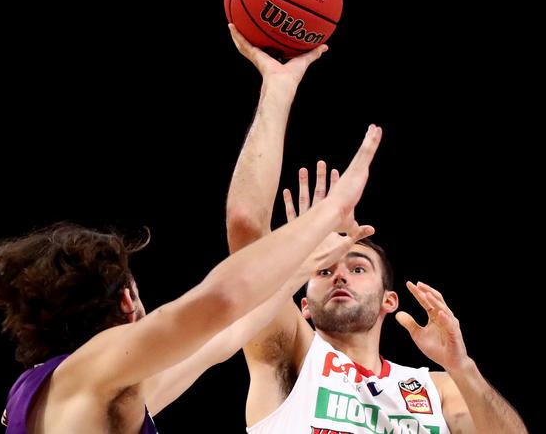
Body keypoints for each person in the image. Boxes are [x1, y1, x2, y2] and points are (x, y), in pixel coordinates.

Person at [0, 122, 382, 434]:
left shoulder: (87, 390)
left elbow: (225, 334)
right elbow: (222, 298)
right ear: (128, 301)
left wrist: (306, 266)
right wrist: (329, 210)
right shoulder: (97, 364)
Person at [225, 23, 528, 434]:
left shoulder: (435, 388)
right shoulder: (291, 357)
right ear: (304, 307)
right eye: (324, 270)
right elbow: (246, 232)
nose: (340, 275)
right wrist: (277, 90)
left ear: (389, 301)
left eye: (358, 267)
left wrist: (462, 367)